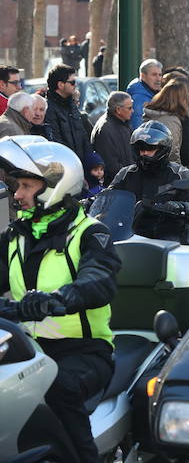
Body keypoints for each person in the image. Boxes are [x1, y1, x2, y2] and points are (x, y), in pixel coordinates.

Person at [0, 138, 121, 463]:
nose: (18, 194)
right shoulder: (16, 236)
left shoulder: (91, 234)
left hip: (84, 350)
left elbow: (98, 283)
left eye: (26, 185)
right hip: (27, 349)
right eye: (18, 186)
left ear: (53, 187)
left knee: (59, 388)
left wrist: (52, 300)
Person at [107, 121, 189, 242]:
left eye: (150, 148)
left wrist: (177, 207)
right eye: (141, 149)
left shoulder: (181, 174)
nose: (144, 153)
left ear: (162, 149)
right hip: (131, 231)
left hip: (166, 232)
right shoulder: (126, 173)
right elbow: (108, 196)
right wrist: (91, 202)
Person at [44, 64, 92, 163]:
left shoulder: (71, 105)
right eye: (72, 82)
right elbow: (56, 142)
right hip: (67, 165)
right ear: (60, 85)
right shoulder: (49, 108)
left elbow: (83, 135)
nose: (75, 85)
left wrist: (90, 162)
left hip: (81, 165)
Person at [90, 91, 135, 183]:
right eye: (129, 108)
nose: (132, 111)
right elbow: (111, 165)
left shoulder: (124, 123)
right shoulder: (105, 130)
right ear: (118, 110)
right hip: (116, 184)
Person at [142, 79, 189, 164]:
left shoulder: (152, 114)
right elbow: (172, 151)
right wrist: (179, 173)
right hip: (165, 171)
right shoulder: (170, 121)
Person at [127, 59, 162, 128]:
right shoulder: (139, 99)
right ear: (143, 76)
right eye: (154, 75)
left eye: (160, 75)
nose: (158, 79)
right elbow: (138, 129)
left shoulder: (151, 93)